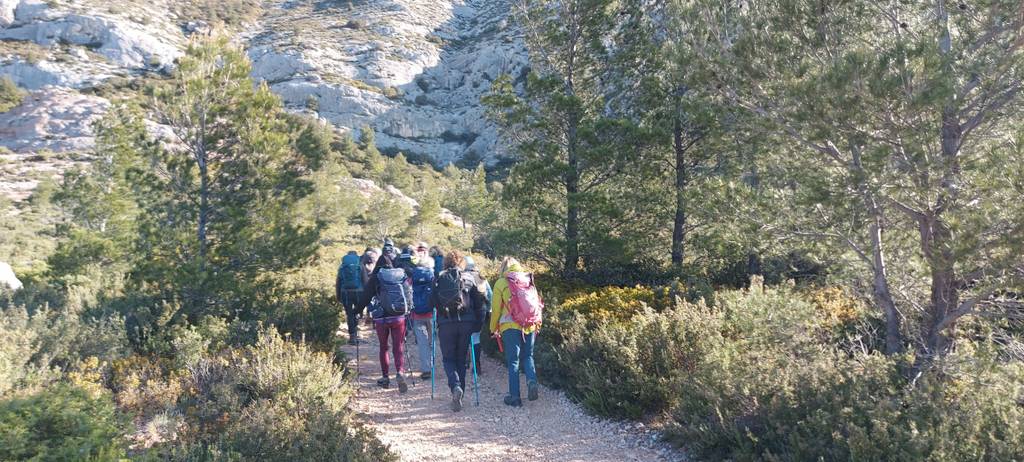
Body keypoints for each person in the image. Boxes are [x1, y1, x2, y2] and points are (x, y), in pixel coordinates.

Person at [429, 250, 485, 411]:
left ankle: (455, 387)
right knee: (461, 359)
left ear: (445, 262)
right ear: (461, 262)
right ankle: (461, 392)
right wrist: (477, 325)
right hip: (466, 323)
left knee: (448, 359)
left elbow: (430, 302)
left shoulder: (439, 278)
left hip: (446, 324)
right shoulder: (469, 278)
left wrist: (440, 312)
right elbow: (479, 303)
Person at [489, 257, 540, 407]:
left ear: (503, 268)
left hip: (510, 326)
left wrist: (493, 329)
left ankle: (515, 397)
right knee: (528, 356)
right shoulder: (527, 280)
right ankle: (532, 381)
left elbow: (496, 310)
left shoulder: (501, 283)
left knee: (513, 361)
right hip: (529, 325)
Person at [359, 254, 412, 393]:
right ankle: (400, 372)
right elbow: (408, 293)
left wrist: (356, 311)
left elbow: (365, 296)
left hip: (382, 318)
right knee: (398, 346)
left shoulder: (376, 277)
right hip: (399, 317)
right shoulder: (399, 276)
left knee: (384, 347)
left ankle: (385, 377)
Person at [409, 252, 436, 379]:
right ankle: (433, 365)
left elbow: (408, 292)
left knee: (422, 343)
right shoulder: (432, 276)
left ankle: (426, 369)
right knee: (432, 341)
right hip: (431, 314)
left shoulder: (413, 276)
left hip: (417, 314)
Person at [464, 256, 492, 375]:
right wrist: (489, 310)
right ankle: (477, 366)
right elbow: (490, 295)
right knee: (476, 338)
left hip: (467, 312)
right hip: (481, 312)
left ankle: (466, 360)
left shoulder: (463, 277)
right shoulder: (482, 278)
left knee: (465, 337)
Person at [336, 250, 364, 345]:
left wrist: (338, 296)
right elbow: (365, 280)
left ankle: (352, 336)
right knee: (356, 312)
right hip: (358, 292)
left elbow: (338, 282)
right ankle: (356, 333)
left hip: (345, 292)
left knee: (349, 314)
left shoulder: (342, 267)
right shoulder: (360, 265)